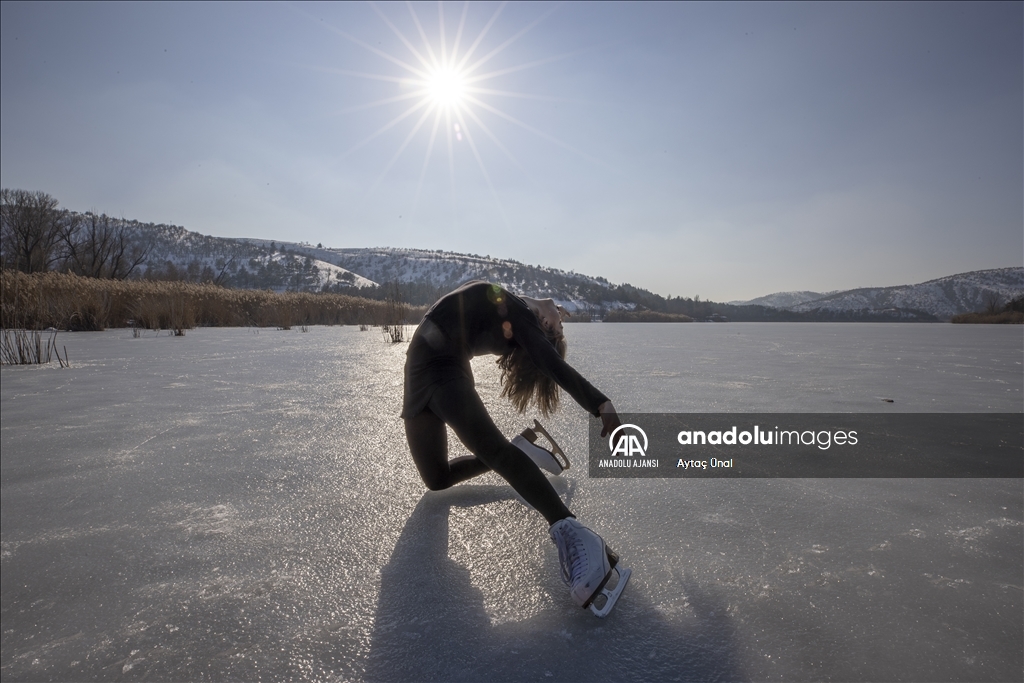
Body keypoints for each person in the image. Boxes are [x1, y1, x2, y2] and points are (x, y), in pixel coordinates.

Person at [401, 280, 628, 614]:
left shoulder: (523, 316)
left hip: (444, 368)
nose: (561, 322)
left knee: (493, 450)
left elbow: (552, 364)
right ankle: (519, 450)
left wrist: (601, 404)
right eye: (562, 325)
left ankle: (573, 531)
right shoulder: (517, 304)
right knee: (437, 478)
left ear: (544, 326)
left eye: (558, 328)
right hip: (418, 370)